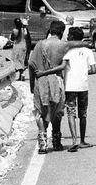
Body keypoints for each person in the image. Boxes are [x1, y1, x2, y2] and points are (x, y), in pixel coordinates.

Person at [27, 20, 71, 153]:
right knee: (57, 111)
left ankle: (42, 143)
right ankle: (57, 142)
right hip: (57, 81)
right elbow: (64, 67)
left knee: (40, 111)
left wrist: (31, 84)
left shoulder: (40, 45)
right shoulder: (64, 45)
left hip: (40, 81)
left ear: (50, 30)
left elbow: (31, 64)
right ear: (62, 32)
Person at [62, 27, 96, 151]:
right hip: (83, 85)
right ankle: (82, 140)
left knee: (71, 112)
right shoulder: (88, 51)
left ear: (71, 37)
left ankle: (74, 140)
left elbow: (62, 67)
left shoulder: (66, 51)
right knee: (83, 113)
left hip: (70, 86)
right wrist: (83, 71)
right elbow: (93, 70)